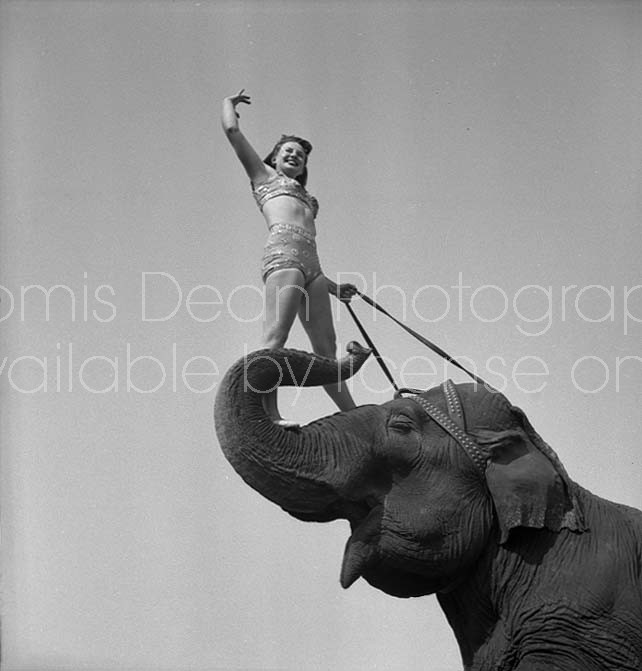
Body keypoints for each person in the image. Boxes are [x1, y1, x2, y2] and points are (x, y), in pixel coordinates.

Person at [221, 89, 360, 426]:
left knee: (327, 352)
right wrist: (229, 104)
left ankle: (357, 418)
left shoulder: (310, 201)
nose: (295, 156)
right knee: (275, 339)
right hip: (283, 258)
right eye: (288, 151)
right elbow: (232, 132)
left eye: (300, 155)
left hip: (314, 269)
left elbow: (308, 246)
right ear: (275, 157)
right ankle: (268, 413)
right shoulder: (263, 178)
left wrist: (333, 287)